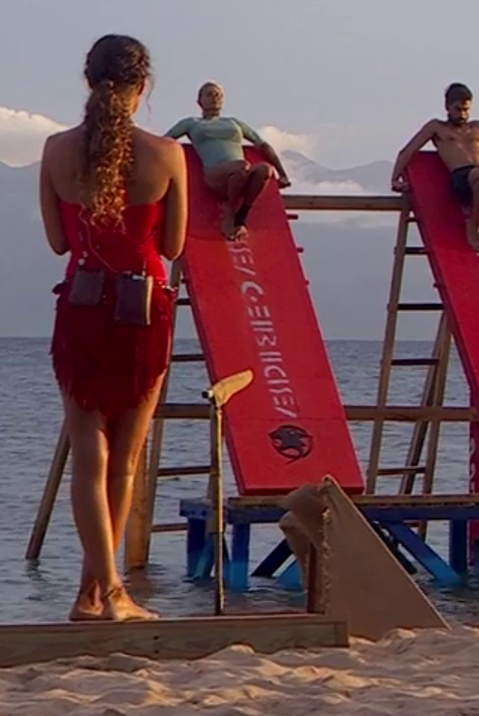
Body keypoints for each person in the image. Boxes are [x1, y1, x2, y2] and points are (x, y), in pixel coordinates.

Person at [39, 34, 187, 622]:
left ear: (88, 81)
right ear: (142, 88)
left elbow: (57, 243)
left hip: (81, 304)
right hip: (143, 307)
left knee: (88, 455)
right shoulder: (166, 155)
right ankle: (108, 591)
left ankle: (93, 593)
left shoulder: (55, 150)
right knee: (125, 458)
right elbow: (173, 245)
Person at [389, 82, 479, 251]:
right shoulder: (437, 127)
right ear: (447, 107)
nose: (463, 114)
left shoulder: (478, 127)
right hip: (462, 180)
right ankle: (473, 224)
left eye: (466, 110)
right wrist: (395, 179)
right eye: (458, 109)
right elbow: (407, 151)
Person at [164, 81, 292, 241]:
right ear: (199, 101)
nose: (214, 98)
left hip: (240, 175)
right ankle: (229, 212)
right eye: (209, 95)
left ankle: (242, 215)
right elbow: (165, 141)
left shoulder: (233, 122)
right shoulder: (192, 123)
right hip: (216, 175)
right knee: (242, 166)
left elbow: (262, 144)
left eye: (218, 95)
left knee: (265, 170)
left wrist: (283, 173)